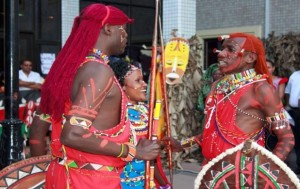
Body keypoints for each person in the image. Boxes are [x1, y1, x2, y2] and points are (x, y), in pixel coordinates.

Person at [35, 4, 160, 188]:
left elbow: (36, 131)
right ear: (108, 29)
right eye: (123, 30)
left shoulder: (68, 70)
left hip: (62, 173)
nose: (126, 36)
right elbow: (73, 134)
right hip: (90, 181)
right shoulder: (98, 71)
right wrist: (133, 151)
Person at [166, 33, 294, 166]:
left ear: (250, 57)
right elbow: (215, 133)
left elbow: (286, 138)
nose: (221, 54)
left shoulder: (262, 89)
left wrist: (265, 170)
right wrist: (182, 145)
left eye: (230, 50)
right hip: (210, 172)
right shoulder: (218, 86)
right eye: (223, 49)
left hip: (243, 175)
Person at [109, 59, 171, 189]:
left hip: (146, 181)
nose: (145, 84)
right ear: (122, 86)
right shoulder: (115, 114)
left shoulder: (145, 110)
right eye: (138, 81)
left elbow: (151, 157)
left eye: (143, 80)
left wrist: (164, 185)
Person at [285, 69, 300, 174]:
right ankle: (298, 165)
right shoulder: (294, 75)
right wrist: (289, 105)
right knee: (296, 139)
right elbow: (287, 92)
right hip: (295, 112)